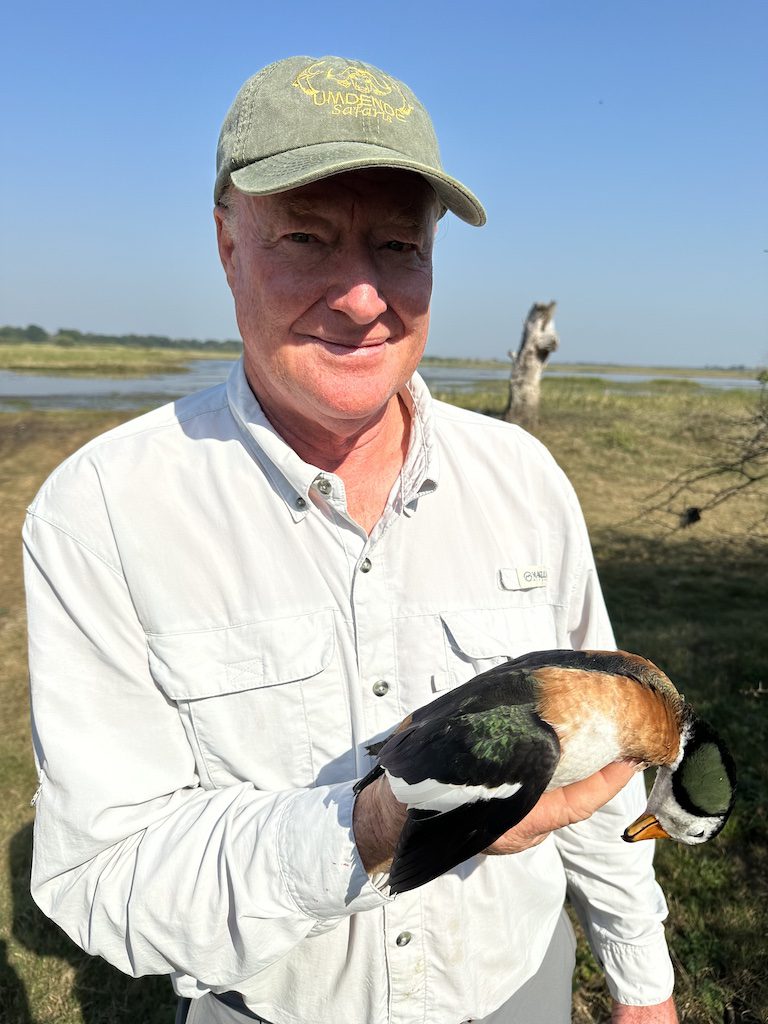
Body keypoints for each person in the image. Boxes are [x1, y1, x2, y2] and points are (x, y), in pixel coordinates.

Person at [24, 55, 678, 1024]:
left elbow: (606, 744)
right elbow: (102, 870)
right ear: (225, 243)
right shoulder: (103, 513)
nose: (363, 294)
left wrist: (641, 980)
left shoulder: (525, 483)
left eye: (398, 245)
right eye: (307, 236)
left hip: (521, 991)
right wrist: (374, 825)